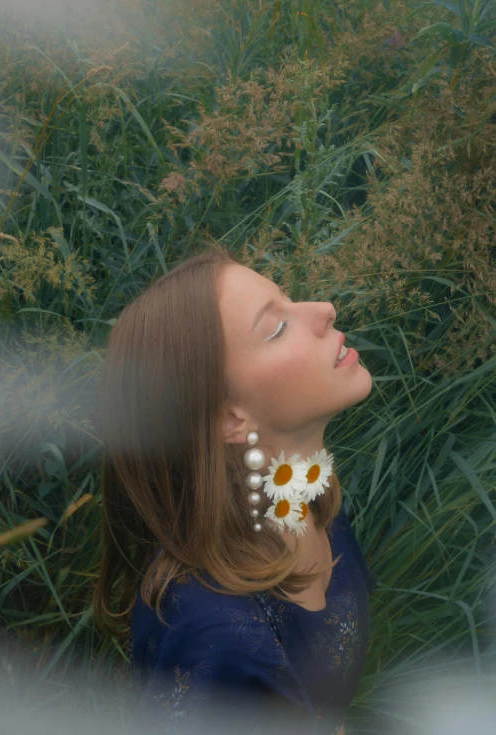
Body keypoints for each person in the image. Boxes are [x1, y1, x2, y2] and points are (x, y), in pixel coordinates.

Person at [93, 242, 378, 735]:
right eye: (278, 327)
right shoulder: (214, 635)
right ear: (228, 417)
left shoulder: (306, 497)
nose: (325, 309)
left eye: (289, 300)